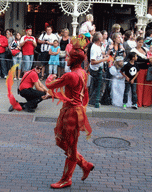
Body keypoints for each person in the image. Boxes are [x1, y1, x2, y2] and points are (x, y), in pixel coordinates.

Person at [45, 35, 93, 189]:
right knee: (64, 143)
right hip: (73, 111)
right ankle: (84, 164)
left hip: (72, 113)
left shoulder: (71, 75)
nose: (65, 59)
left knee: (70, 147)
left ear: (74, 59)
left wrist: (50, 77)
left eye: (68, 57)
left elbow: (50, 85)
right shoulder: (82, 72)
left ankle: (67, 178)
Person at [130, 36, 152, 107]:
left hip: (147, 70)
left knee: (147, 87)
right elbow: (138, 59)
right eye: (139, 42)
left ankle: (146, 103)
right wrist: (148, 60)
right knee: (139, 87)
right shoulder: (133, 50)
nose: (141, 44)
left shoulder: (145, 49)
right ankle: (139, 102)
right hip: (139, 70)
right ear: (136, 42)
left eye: (142, 42)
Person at [89, 32, 109, 106]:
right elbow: (93, 61)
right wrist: (103, 60)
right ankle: (93, 101)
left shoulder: (98, 46)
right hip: (96, 69)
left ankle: (92, 100)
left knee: (96, 85)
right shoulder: (94, 48)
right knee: (100, 86)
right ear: (99, 39)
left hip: (99, 68)